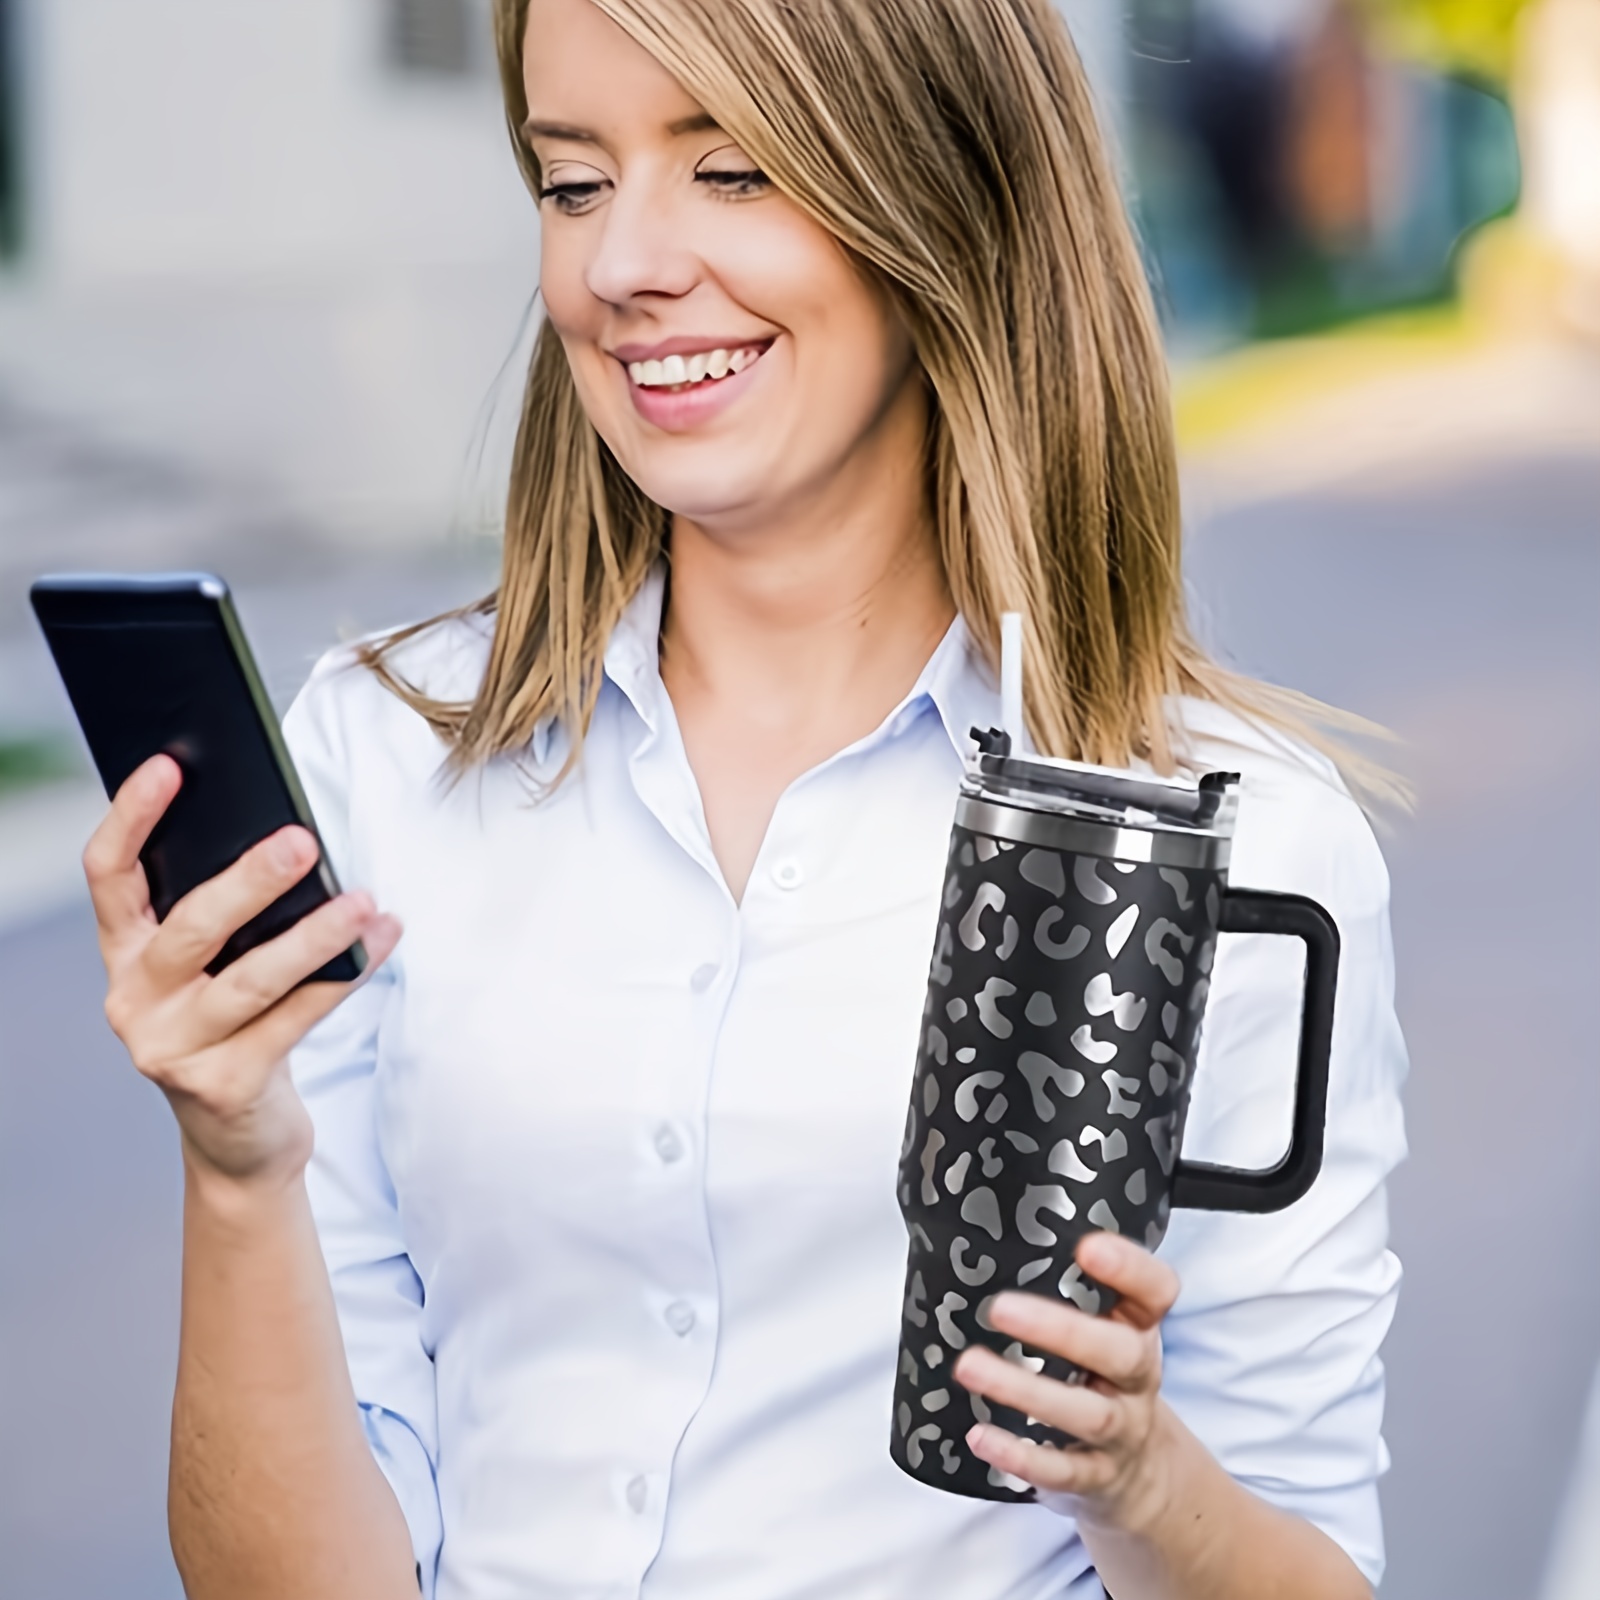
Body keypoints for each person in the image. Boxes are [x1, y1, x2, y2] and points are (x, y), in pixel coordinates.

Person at [82, 1, 1407, 1596]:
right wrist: (236, 1170)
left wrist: (1137, 1477)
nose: (623, 263)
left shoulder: (1224, 841)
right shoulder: (381, 761)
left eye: (732, 169)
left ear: (944, 195)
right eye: (573, 184)